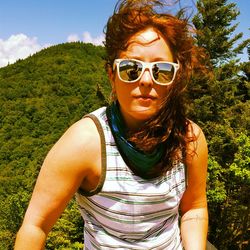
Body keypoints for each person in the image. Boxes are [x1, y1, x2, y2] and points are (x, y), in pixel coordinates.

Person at [15, 0, 209, 249]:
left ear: (174, 77)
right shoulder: (85, 142)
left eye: (161, 70)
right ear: (112, 74)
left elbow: (194, 208)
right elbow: (35, 226)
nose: (147, 80)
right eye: (131, 69)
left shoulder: (189, 137)